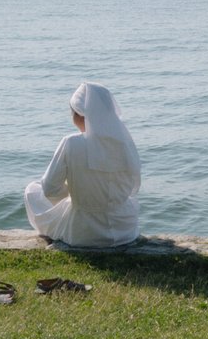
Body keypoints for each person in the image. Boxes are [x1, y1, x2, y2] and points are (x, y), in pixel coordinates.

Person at [24, 82, 141, 248]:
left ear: (80, 114)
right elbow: (132, 186)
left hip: (83, 232)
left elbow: (50, 189)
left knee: (32, 190)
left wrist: (73, 193)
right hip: (125, 230)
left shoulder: (71, 143)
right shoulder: (124, 142)